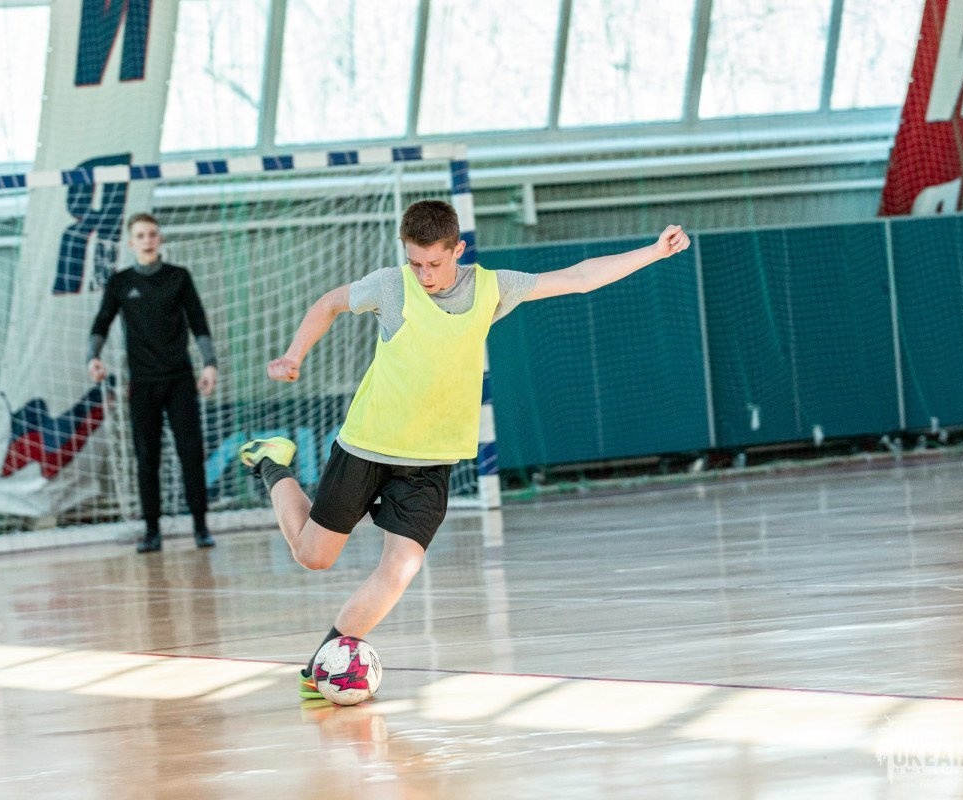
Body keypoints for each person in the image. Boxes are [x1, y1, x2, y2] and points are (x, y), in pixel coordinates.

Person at [238, 200, 690, 698]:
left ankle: (321, 666)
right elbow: (328, 303)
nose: (425, 274)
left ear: (459, 249)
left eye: (435, 262)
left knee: (400, 569)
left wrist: (652, 252)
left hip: (431, 462)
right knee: (314, 557)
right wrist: (294, 354)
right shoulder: (392, 286)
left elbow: (579, 276)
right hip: (368, 445)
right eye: (415, 262)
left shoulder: (492, 288)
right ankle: (272, 462)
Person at [88, 212, 219, 553]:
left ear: (159, 239)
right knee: (147, 458)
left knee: (191, 454)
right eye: (141, 235)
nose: (147, 239)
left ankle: (201, 527)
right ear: (131, 242)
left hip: (179, 381)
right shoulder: (120, 282)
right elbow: (101, 322)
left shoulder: (179, 277)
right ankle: (152, 531)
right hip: (142, 384)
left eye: (152, 234)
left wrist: (209, 364)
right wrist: (93, 356)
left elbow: (199, 322)